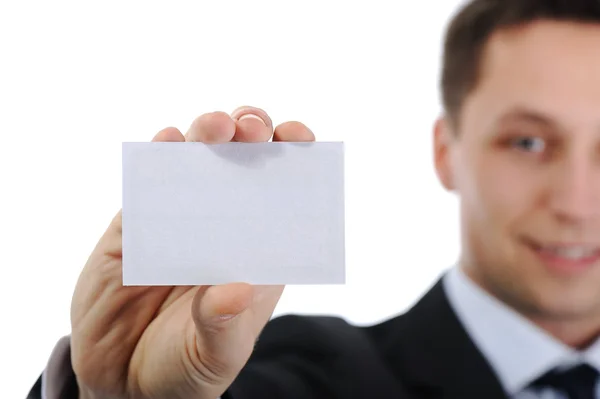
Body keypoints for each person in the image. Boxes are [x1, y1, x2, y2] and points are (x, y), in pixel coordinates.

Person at [26, 0, 600, 398]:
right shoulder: (302, 373)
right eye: (527, 142)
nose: (576, 202)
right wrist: (108, 398)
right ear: (445, 152)